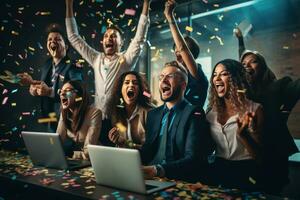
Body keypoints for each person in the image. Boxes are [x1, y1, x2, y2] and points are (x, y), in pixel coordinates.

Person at [65, 0, 151, 142]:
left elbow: (139, 38)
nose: (108, 38)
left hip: (117, 120)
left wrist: (146, 4)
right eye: (106, 36)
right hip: (95, 118)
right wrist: (68, 5)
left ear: (121, 43)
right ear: (102, 42)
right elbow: (74, 38)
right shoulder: (96, 58)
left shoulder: (125, 60)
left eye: (113, 36)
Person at [141, 61, 213, 182]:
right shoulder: (153, 114)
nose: (163, 80)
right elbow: (147, 151)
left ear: (183, 85)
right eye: (161, 77)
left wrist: (157, 170)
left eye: (169, 76)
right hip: (149, 178)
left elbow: (193, 159)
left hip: (178, 180)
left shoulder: (194, 113)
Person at [240, 50, 300, 194]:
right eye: (243, 64)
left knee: (271, 191)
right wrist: (240, 39)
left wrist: (285, 109)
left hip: (273, 153)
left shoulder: (278, 86)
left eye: (253, 61)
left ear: (263, 66)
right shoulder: (244, 91)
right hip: (248, 155)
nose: (247, 66)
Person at [206, 59, 264, 190]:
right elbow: (207, 148)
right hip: (218, 170)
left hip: (246, 171)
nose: (217, 78)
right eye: (215, 74)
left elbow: (260, 157)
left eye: (224, 74)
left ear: (236, 79)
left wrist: (244, 136)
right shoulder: (210, 113)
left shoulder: (255, 110)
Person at [18, 24, 83, 132]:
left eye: (58, 39)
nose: (53, 41)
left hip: (67, 121)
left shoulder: (74, 66)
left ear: (66, 46)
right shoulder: (47, 64)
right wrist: (33, 87)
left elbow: (78, 92)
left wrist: (50, 92)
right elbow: (44, 86)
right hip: (48, 120)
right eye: (50, 39)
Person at [164, 0, 208, 108]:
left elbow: (183, 48)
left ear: (190, 55)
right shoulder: (178, 76)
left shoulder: (197, 75)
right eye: (176, 53)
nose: (177, 56)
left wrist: (170, 17)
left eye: (181, 53)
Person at [56, 80, 102, 160]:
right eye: (61, 91)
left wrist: (70, 154)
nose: (62, 94)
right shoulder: (64, 114)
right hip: (77, 161)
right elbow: (57, 144)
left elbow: (89, 152)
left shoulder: (95, 113)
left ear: (79, 96)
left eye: (68, 91)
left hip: (96, 160)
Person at [108, 71, 154, 149]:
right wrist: (116, 140)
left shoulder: (150, 113)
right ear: (120, 89)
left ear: (139, 90)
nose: (131, 85)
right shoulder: (115, 113)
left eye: (135, 83)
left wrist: (125, 143)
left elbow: (150, 149)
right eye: (126, 82)